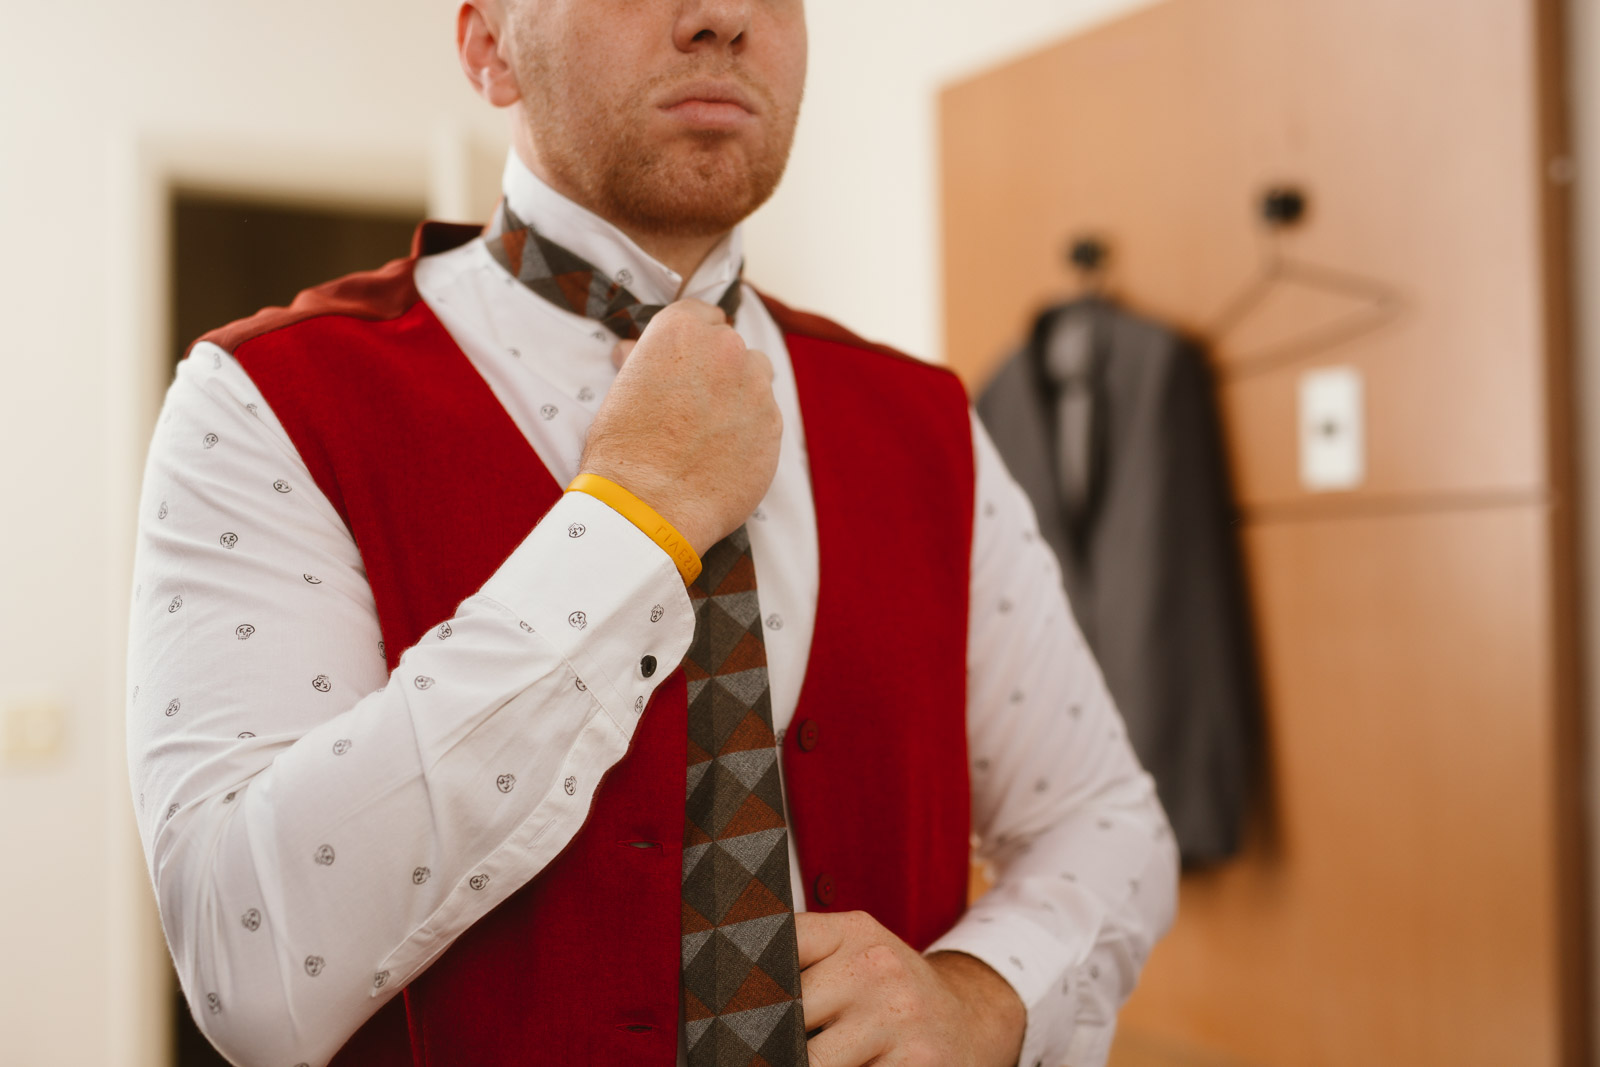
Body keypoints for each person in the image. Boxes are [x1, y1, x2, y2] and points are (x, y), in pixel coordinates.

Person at [125, 1, 1178, 1065]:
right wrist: (635, 520)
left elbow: (1106, 822)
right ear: (490, 48)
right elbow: (245, 969)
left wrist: (987, 998)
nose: (722, 16)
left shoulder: (926, 419)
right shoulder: (263, 399)